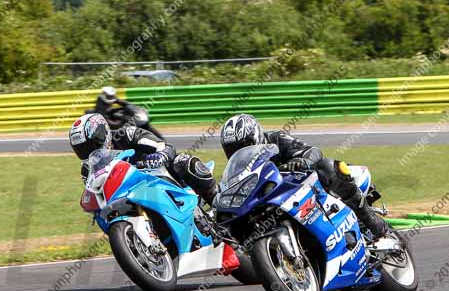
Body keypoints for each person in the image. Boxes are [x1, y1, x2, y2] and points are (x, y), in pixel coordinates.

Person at [219, 114, 390, 240]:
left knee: (329, 166)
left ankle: (369, 219)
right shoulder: (239, 168)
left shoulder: (276, 139)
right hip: (279, 202)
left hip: (309, 186)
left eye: (242, 146)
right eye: (231, 149)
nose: (237, 152)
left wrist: (302, 161)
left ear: (254, 135)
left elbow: (314, 151)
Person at [70, 114, 217, 205]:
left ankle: (217, 203)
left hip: (159, 178)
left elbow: (165, 146)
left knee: (182, 161)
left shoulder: (126, 134)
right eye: (81, 149)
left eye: (89, 145)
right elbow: (96, 195)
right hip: (130, 197)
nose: (88, 152)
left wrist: (160, 155)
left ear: (101, 135)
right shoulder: (88, 169)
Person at [91, 86, 164, 139]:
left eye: (112, 95)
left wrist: (130, 106)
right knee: (121, 119)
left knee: (124, 111)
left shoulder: (111, 97)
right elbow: (104, 117)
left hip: (109, 113)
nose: (112, 96)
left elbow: (122, 102)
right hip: (104, 117)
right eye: (110, 95)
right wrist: (120, 122)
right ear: (105, 94)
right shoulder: (101, 100)